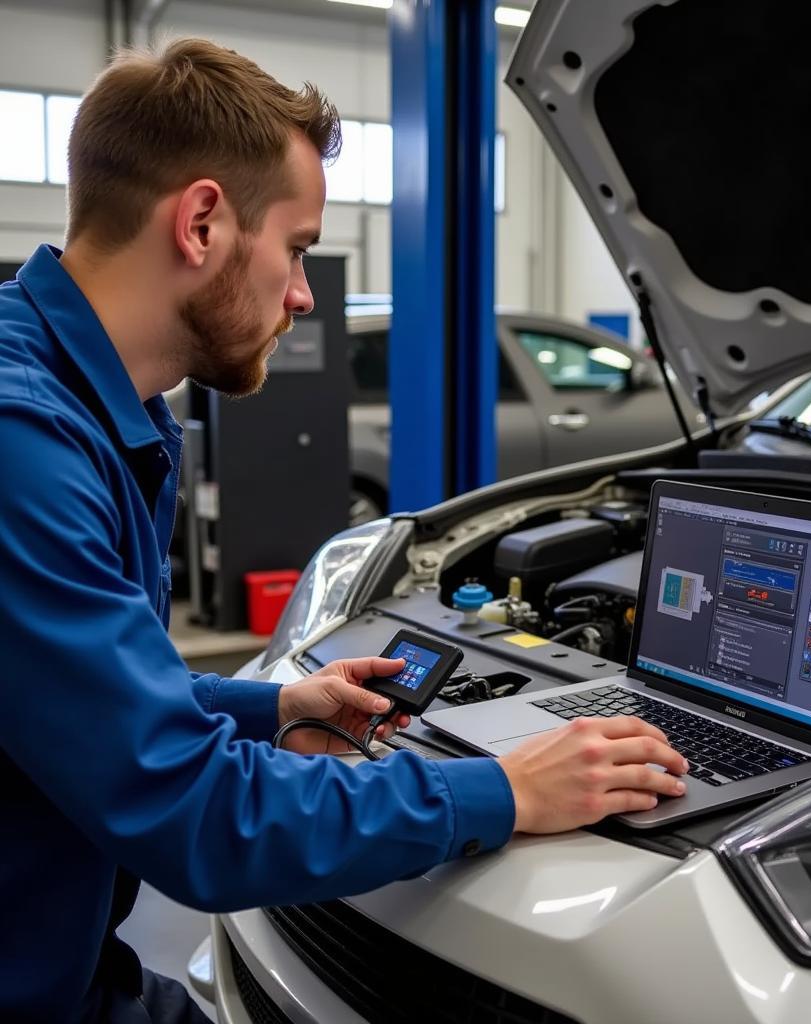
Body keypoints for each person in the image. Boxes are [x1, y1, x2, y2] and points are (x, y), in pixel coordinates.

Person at [0, 39, 687, 1023]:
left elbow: (74, 696)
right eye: (297, 247)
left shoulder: (96, 412)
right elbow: (197, 817)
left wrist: (269, 709)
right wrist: (504, 791)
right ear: (201, 221)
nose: (303, 294)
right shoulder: (24, 443)